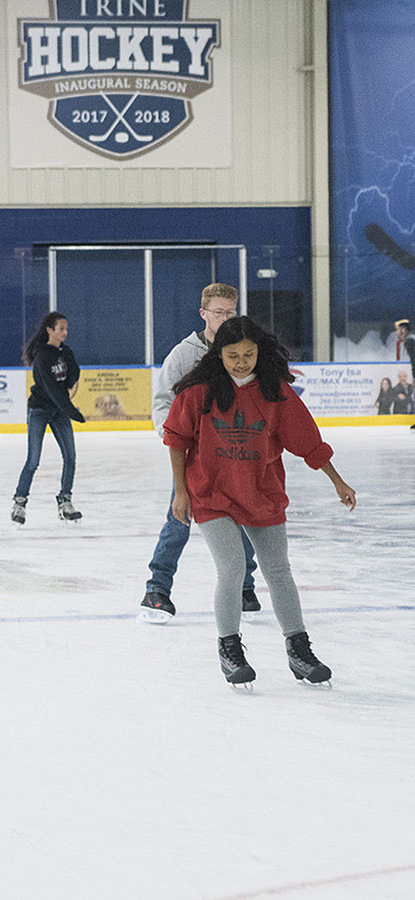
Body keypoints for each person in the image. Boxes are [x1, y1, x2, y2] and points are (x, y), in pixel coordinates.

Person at [163, 316, 356, 688]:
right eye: (232, 355)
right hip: (212, 492)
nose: (240, 362)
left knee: (278, 571)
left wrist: (337, 480)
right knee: (233, 568)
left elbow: (308, 442)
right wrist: (181, 491)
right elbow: (176, 439)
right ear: (218, 354)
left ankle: (298, 649)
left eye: (248, 354)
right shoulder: (199, 393)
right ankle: (229, 648)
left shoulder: (275, 392)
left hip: (260, 492)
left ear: (258, 352)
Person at [139, 283, 260, 623]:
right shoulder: (185, 354)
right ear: (203, 313)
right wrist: (175, 439)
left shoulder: (243, 349)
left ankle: (243, 586)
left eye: (230, 313)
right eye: (218, 312)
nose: (224, 318)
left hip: (235, 450)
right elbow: (163, 400)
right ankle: (157, 589)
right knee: (179, 518)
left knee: (243, 516)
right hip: (195, 455)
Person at [11, 312, 84, 525]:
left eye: (66, 328)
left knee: (70, 457)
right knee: (33, 459)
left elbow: (72, 378)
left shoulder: (65, 352)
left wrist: (69, 360)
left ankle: (65, 501)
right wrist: (72, 411)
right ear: (49, 330)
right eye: (61, 328)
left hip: (59, 410)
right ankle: (19, 503)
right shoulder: (42, 356)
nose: (65, 332)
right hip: (40, 409)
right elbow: (52, 389)